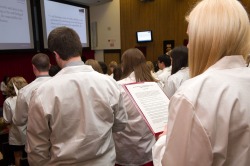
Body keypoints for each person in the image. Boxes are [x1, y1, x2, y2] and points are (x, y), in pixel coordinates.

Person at [153, 0, 250, 165]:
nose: (189, 45)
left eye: (190, 38)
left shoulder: (193, 94)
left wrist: (164, 139)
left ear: (206, 39)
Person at [26, 26, 127, 166]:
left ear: (56, 55)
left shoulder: (43, 92)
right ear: (79, 49)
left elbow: (37, 147)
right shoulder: (110, 83)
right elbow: (120, 124)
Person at [113, 48, 157, 166]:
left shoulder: (117, 87)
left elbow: (113, 119)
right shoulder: (156, 85)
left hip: (124, 150)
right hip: (148, 150)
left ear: (124, 65)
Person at [13, 53, 51, 146]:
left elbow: (19, 120)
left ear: (33, 67)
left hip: (38, 142)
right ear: (49, 66)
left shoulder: (24, 91)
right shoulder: (62, 84)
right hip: (61, 139)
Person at [3, 76, 28, 166]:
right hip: (30, 132)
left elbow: (7, 120)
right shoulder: (29, 97)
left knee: (18, 156)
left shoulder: (8, 101)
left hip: (16, 134)